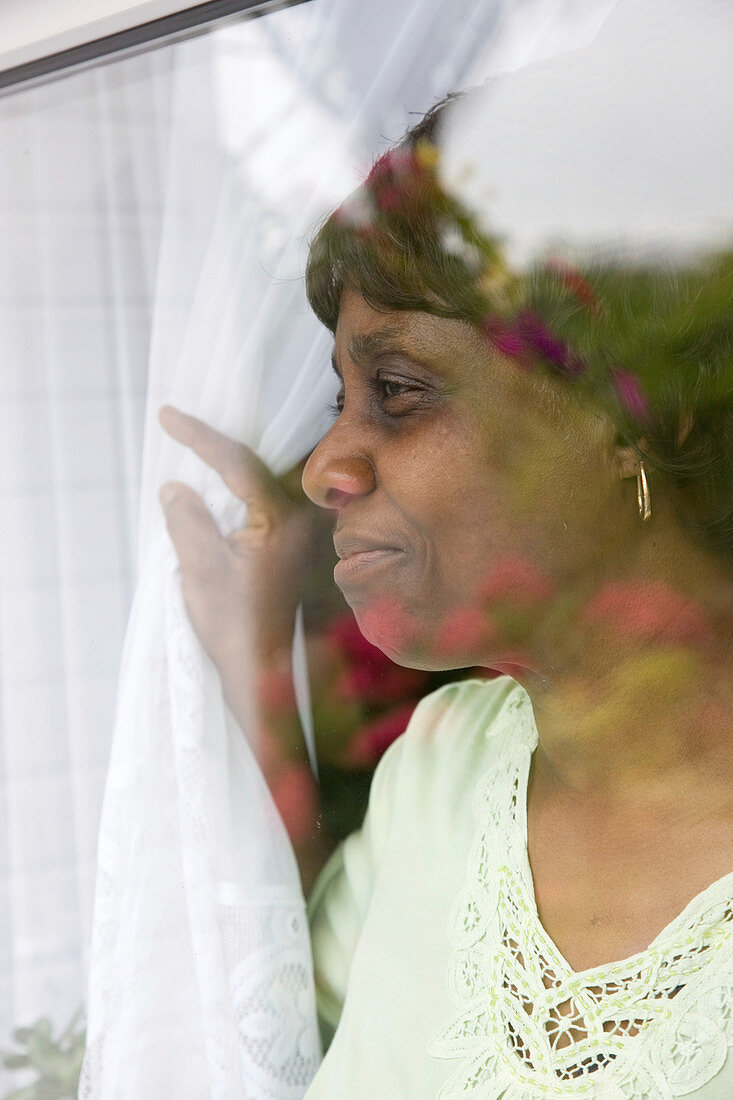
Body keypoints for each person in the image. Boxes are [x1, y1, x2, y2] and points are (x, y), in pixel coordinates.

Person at [159, 21, 733, 1100]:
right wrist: (251, 676)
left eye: (401, 392)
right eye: (338, 395)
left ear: (631, 410)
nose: (326, 461)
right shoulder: (442, 768)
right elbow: (281, 1018)